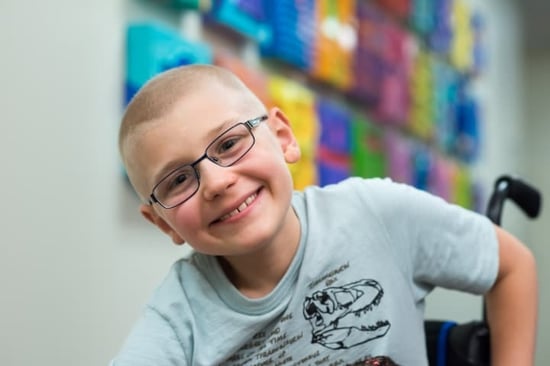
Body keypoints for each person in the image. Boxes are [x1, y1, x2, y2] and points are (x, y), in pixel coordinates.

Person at [112, 64, 538, 365]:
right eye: (178, 181)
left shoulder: (377, 213)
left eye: (227, 144)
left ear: (283, 138)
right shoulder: (179, 314)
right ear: (163, 222)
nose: (217, 183)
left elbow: (512, 266)